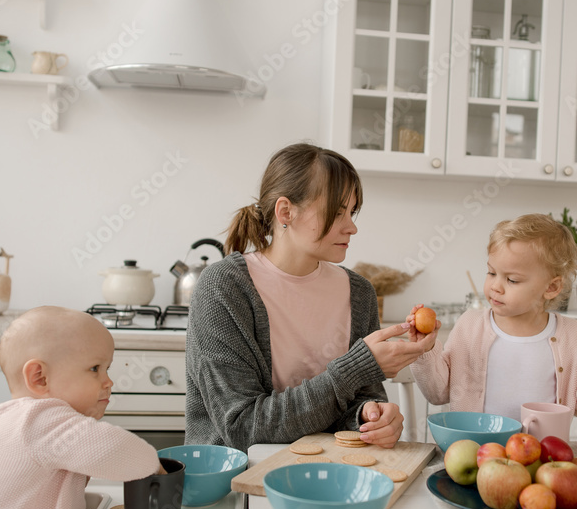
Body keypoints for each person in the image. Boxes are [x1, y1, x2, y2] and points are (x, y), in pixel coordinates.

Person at [185, 143, 436, 452]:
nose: (352, 227)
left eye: (352, 212)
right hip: (239, 484)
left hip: (327, 473)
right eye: (337, 212)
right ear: (286, 212)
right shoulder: (224, 288)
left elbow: (358, 400)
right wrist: (355, 368)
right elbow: (243, 428)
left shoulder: (359, 293)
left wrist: (370, 416)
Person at [0, 306, 164, 509]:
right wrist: (155, 464)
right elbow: (116, 450)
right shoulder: (36, 420)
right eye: (95, 368)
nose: (108, 382)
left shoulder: (4, 420)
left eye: (107, 369)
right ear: (40, 378)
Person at [409, 214, 577, 422]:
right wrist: (424, 350)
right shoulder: (469, 325)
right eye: (491, 273)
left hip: (542, 453)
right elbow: (437, 394)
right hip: (475, 450)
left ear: (551, 287)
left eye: (512, 280)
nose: (495, 286)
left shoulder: (571, 334)